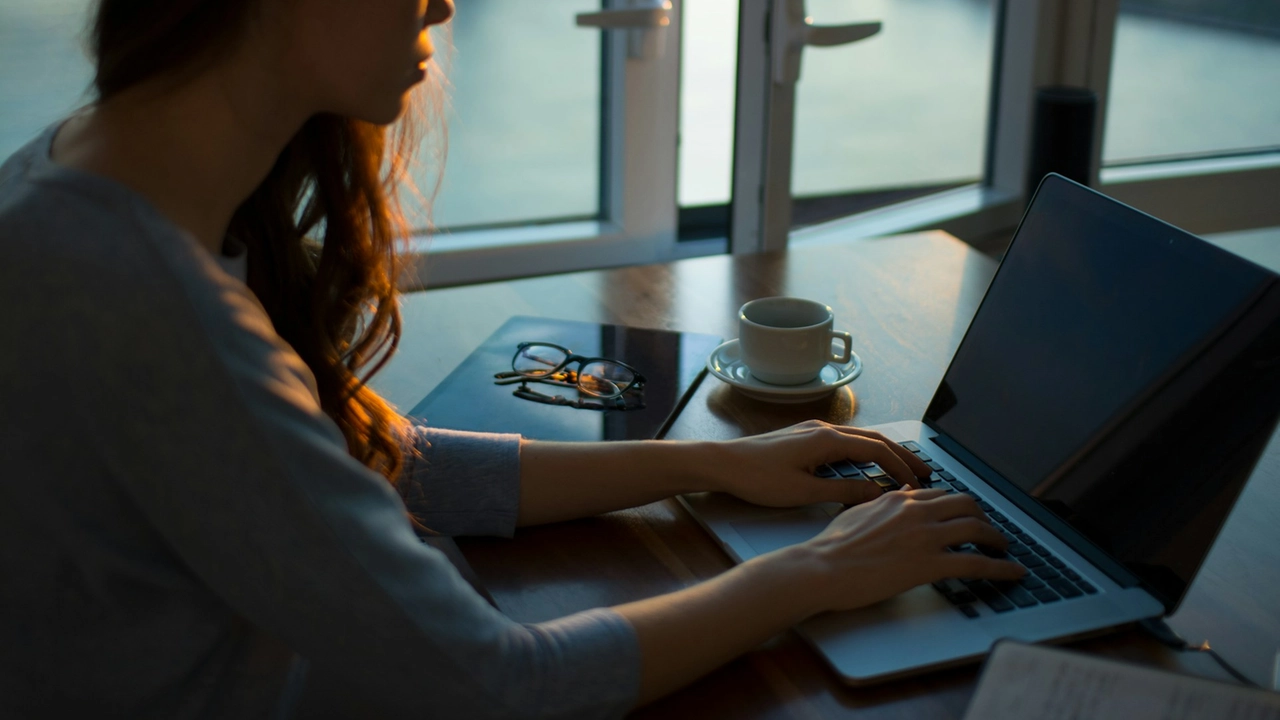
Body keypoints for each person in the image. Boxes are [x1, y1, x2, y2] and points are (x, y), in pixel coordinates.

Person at [0, 0, 1023, 717]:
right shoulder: (152, 311)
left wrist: (701, 465)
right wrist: (810, 572)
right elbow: (502, 687)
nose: (440, 6)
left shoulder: (73, 175)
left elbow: (343, 460)